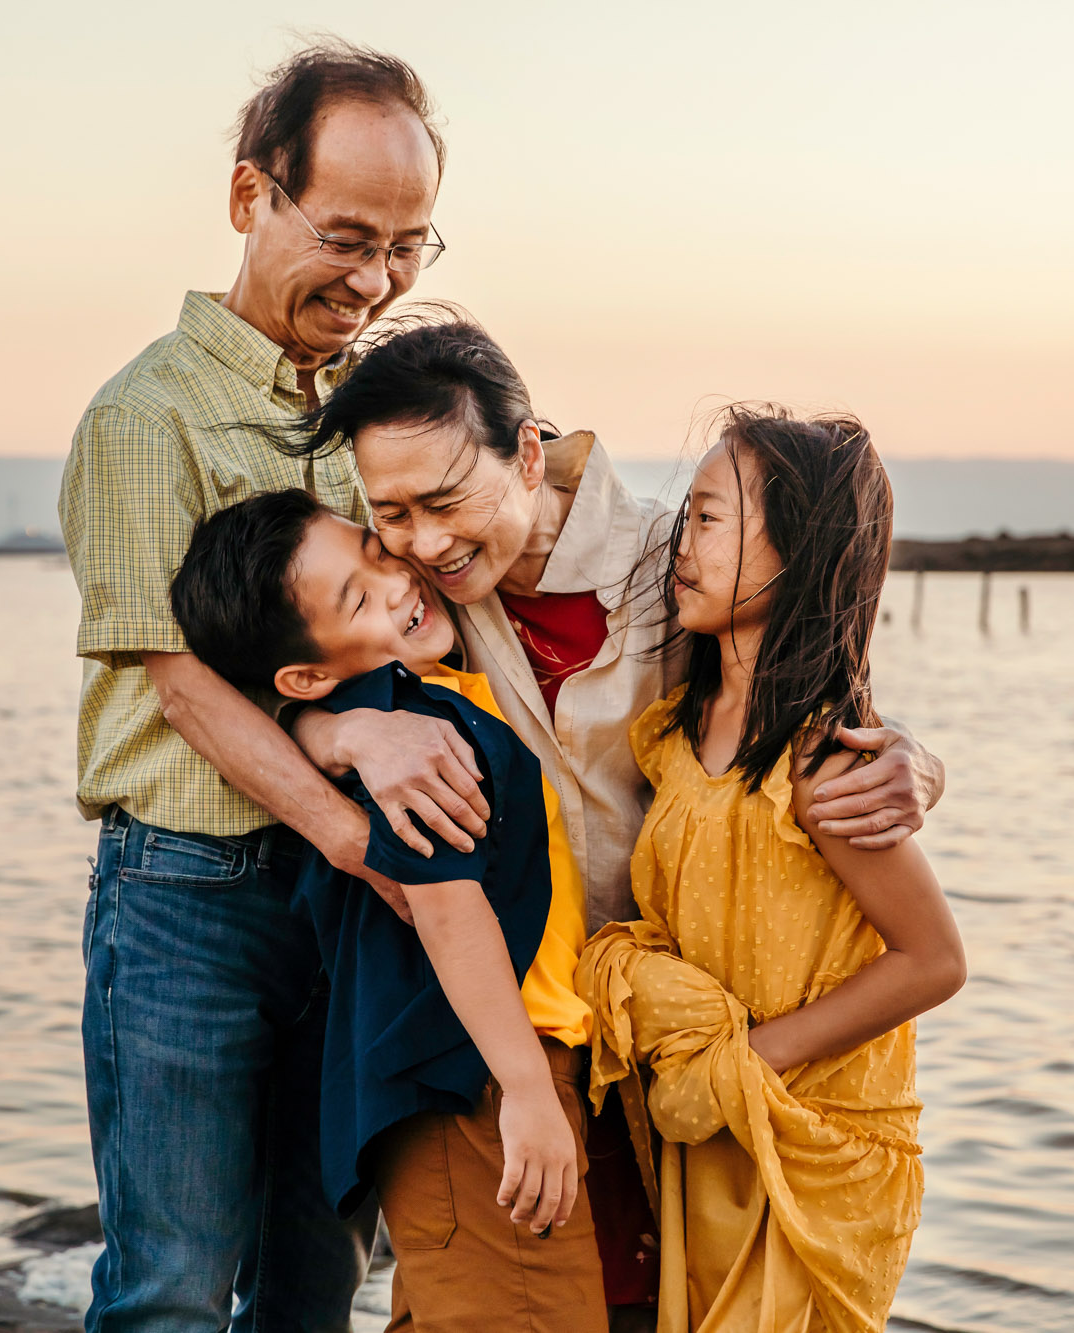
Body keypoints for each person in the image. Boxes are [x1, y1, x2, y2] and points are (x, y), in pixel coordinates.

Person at [278, 318, 949, 1319]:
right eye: (392, 513)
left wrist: (912, 759)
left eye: (445, 502)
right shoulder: (410, 588)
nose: (420, 542)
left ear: (528, 453)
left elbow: (798, 690)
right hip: (507, 1018)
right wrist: (335, 731)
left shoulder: (670, 567)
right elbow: (305, 667)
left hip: (667, 1041)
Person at [56, 43, 494, 1332]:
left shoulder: (373, 412)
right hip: (189, 895)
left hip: (342, 916)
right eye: (347, 235)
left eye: (408, 246)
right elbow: (180, 686)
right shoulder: (147, 417)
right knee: (172, 1288)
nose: (374, 279)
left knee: (316, 1283)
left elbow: (491, 561)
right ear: (251, 195)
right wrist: (367, 847)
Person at [167, 489, 607, 1332]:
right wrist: (524, 1088)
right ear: (305, 673)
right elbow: (447, 911)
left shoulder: (421, 698)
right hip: (480, 1079)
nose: (398, 582)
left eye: (375, 551)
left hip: (495, 1069)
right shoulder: (409, 736)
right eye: (358, 598)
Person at [577, 408, 968, 1333]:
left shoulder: (825, 765)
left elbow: (934, 959)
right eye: (688, 513)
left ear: (801, 548)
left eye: (712, 518)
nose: (682, 540)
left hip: (811, 1134)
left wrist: (746, 1064)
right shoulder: (670, 736)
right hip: (709, 1133)